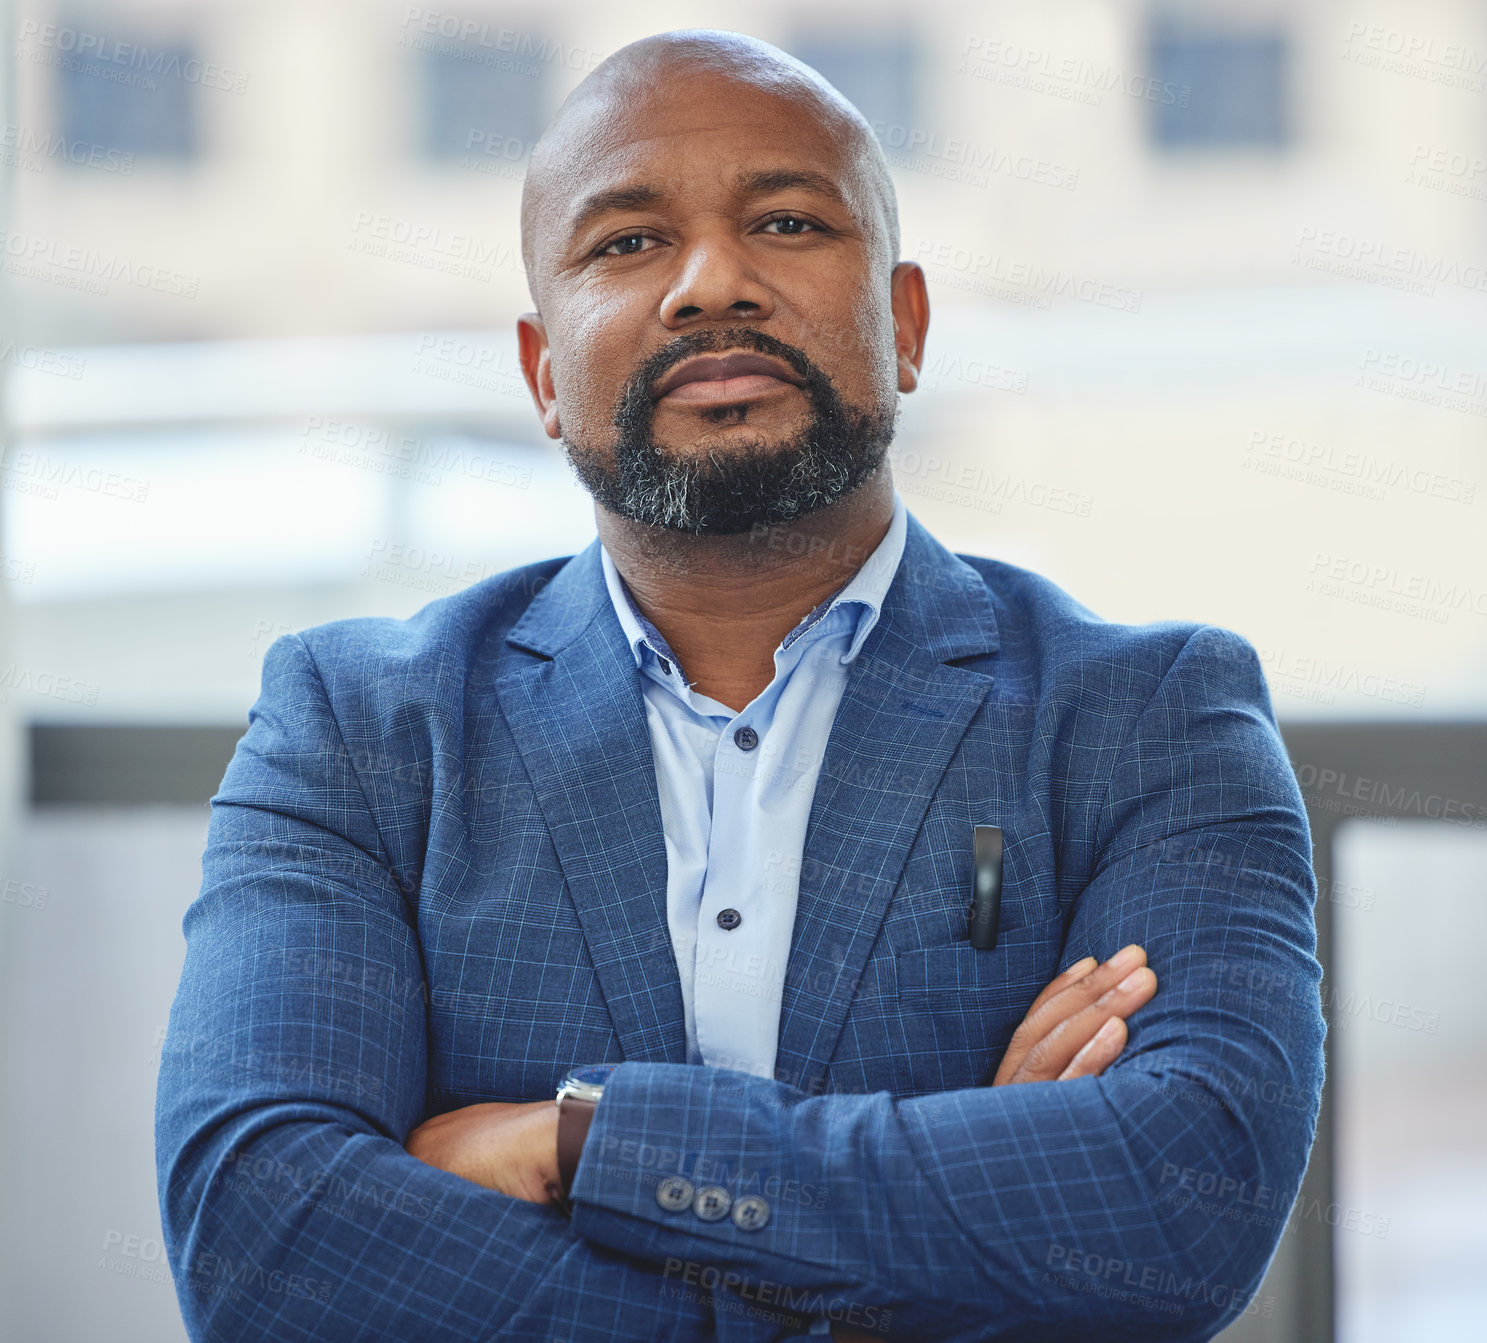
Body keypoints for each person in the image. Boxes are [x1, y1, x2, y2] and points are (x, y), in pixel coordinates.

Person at [155, 28, 1324, 1343]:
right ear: (546, 375)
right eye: (628, 244)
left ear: (906, 323)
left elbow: (1177, 1206)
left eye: (783, 219)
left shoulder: (1151, 718)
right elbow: (261, 1240)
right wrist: (938, 1243)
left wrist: (584, 1145)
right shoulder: (359, 731)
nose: (713, 282)